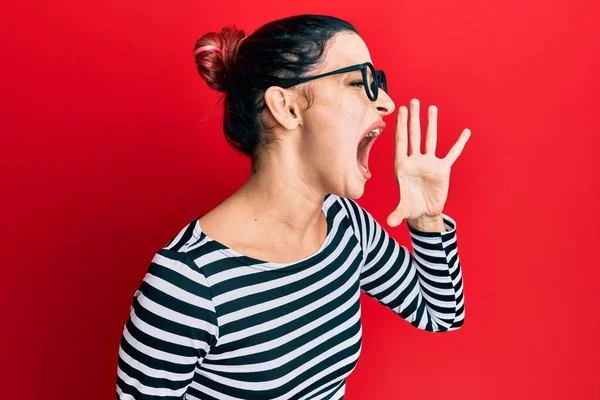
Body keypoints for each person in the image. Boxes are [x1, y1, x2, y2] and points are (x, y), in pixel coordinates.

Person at [116, 14, 471, 400]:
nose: (385, 103)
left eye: (378, 83)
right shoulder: (188, 284)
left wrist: (427, 218)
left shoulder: (346, 225)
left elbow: (442, 314)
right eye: (358, 82)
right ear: (286, 108)